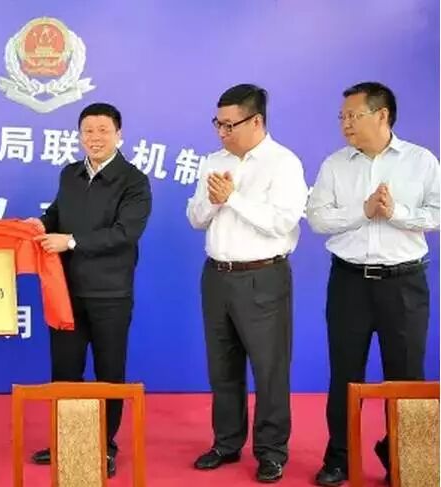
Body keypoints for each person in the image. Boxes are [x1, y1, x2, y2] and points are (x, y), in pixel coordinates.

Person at [306, 82, 439, 486]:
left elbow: (437, 214)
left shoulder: (420, 161)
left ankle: (406, 459)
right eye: (342, 117)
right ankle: (339, 458)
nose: (345, 123)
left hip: (404, 283)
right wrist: (363, 212)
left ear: (382, 115)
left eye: (353, 115)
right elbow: (317, 218)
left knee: (407, 376)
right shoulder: (335, 165)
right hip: (349, 283)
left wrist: (395, 211)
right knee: (345, 374)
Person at [186, 84, 307, 483]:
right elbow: (195, 218)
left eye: (230, 125)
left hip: (262, 277)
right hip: (216, 276)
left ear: (256, 121)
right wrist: (214, 199)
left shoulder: (282, 163)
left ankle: (271, 451)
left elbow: (281, 221)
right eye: (217, 124)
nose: (222, 132)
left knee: (270, 368)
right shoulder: (213, 161)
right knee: (222, 366)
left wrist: (233, 198)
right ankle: (226, 442)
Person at [24, 101, 152, 479]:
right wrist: (40, 223)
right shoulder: (70, 174)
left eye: (103, 130)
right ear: (79, 135)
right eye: (88, 131)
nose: (95, 138)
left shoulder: (134, 181)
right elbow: (57, 213)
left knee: (109, 374)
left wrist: (71, 242)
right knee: (65, 371)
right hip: (66, 290)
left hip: (110, 293)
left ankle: (105, 446)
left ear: (119, 135)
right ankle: (68, 439)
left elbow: (125, 233)